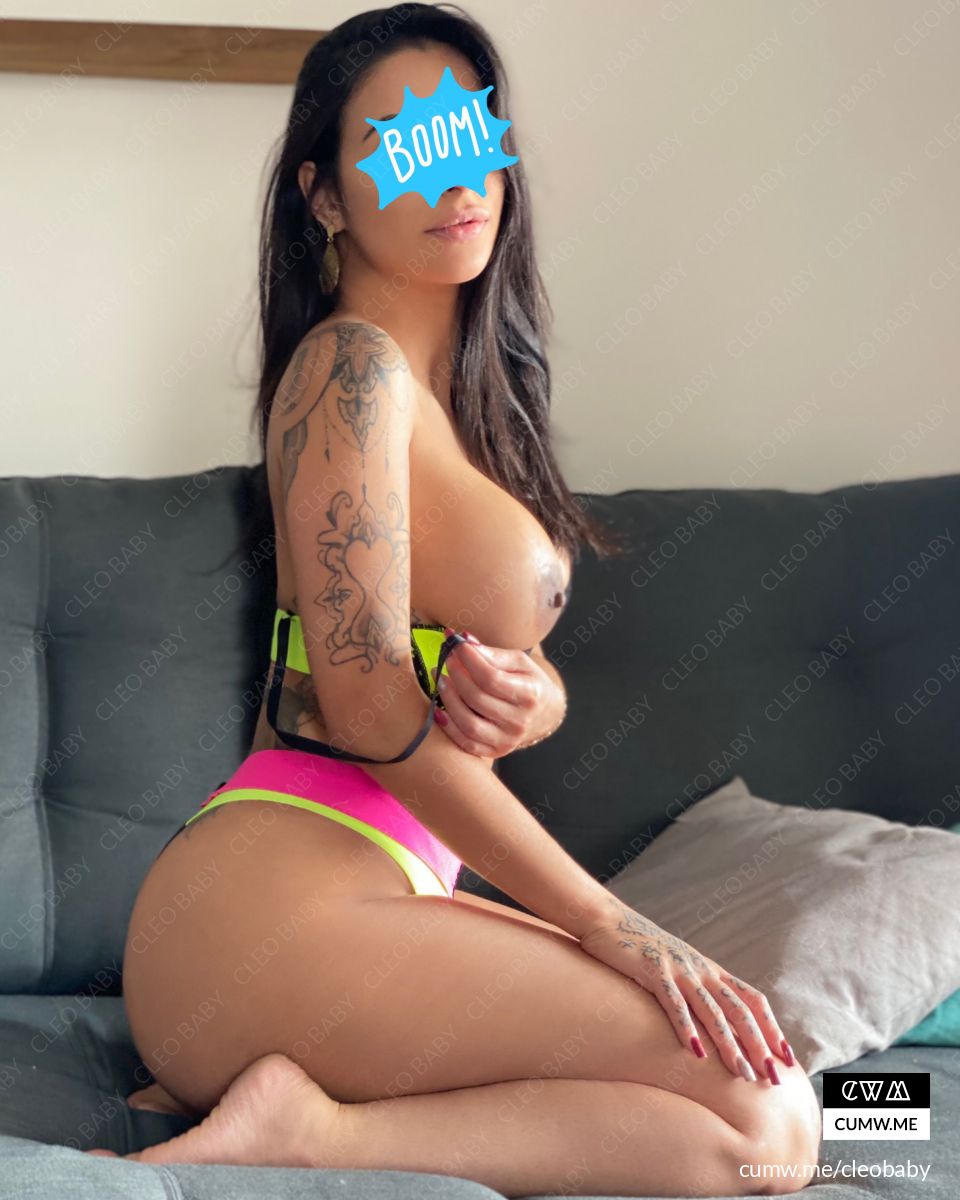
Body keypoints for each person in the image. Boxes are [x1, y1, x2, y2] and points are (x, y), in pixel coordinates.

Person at [89, 5, 821, 1194]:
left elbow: (445, 655)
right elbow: (365, 701)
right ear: (324, 196)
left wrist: (538, 699)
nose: (454, 176)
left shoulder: (462, 408)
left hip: (372, 907)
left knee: (772, 1128)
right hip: (267, 908)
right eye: (404, 144)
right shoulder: (349, 370)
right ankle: (307, 1133)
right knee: (772, 1119)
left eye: (469, 136)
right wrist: (613, 924)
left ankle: (304, 1109)